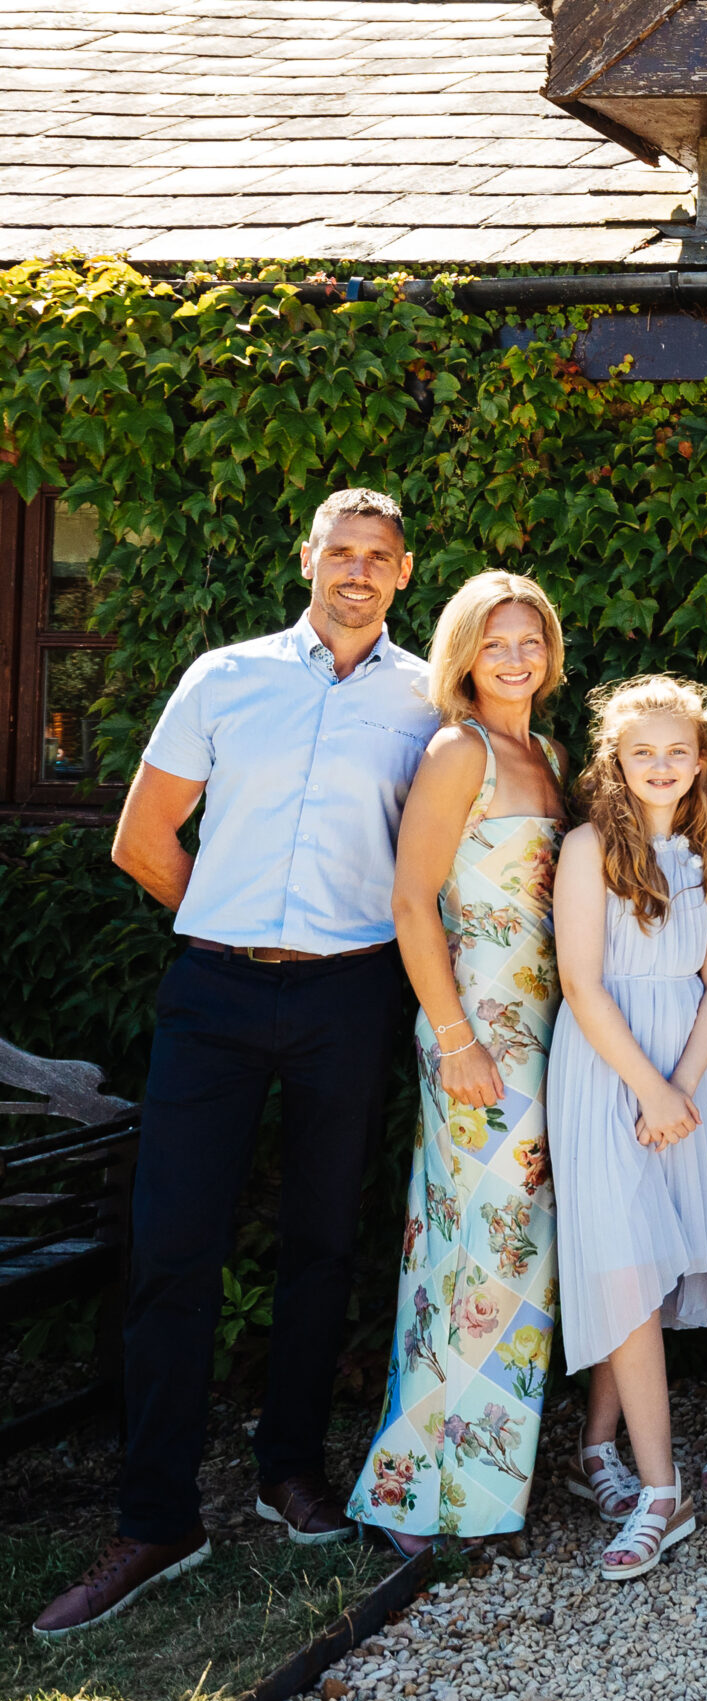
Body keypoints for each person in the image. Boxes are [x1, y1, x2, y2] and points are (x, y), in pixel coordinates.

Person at [36, 489, 440, 1639]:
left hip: (349, 994)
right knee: (171, 1248)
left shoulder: (426, 700)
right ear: (305, 557)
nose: (356, 572)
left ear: (404, 574)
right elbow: (141, 838)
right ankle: (157, 1518)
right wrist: (227, 923)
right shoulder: (226, 675)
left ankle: (289, 1472)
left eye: (379, 557)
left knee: (322, 1240)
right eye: (339, 552)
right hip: (213, 991)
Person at [351, 571, 569, 1556]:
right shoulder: (458, 750)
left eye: (531, 640)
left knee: (522, 1262)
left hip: (552, 1033)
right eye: (496, 642)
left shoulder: (548, 753)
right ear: (465, 655)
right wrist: (454, 1038)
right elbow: (411, 904)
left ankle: (488, 1490)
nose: (516, 657)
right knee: (471, 1256)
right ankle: (421, 1496)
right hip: (477, 1035)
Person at [549, 676, 707, 1580]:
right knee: (622, 1265)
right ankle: (664, 1494)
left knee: (644, 1273)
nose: (660, 766)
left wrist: (685, 1084)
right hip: (607, 1071)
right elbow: (583, 983)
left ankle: (598, 1449)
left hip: (683, 1078)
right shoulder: (588, 849)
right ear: (614, 763)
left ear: (701, 762)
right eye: (641, 753)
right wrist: (648, 1089)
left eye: (677, 751)